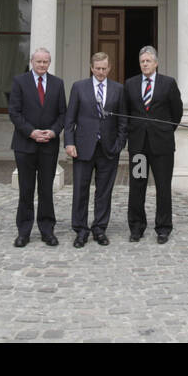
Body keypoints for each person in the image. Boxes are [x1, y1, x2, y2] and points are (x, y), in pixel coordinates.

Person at [64, 52, 127, 247]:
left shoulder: (118, 89)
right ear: (91, 68)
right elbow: (70, 118)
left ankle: (99, 229)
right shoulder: (79, 87)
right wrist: (69, 142)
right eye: (97, 68)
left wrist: (119, 144)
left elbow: (123, 120)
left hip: (108, 149)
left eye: (104, 68)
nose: (100, 72)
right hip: (83, 148)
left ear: (109, 68)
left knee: (104, 192)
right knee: (80, 190)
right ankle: (81, 230)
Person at [7, 47, 66, 247]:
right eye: (39, 61)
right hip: (25, 144)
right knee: (26, 189)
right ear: (32, 61)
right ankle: (23, 231)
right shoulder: (19, 82)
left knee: (46, 190)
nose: (42, 65)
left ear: (49, 63)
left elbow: (62, 114)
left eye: (45, 62)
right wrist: (31, 132)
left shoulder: (58, 84)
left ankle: (47, 230)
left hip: (49, 145)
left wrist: (53, 131)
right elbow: (14, 112)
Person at [123, 45, 183, 243]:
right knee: (137, 185)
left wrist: (164, 131)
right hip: (139, 147)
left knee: (163, 186)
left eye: (148, 61)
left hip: (162, 147)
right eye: (142, 61)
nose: (145, 64)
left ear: (156, 63)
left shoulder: (168, 83)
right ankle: (137, 227)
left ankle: (163, 228)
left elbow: (177, 113)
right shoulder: (130, 84)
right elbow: (126, 113)